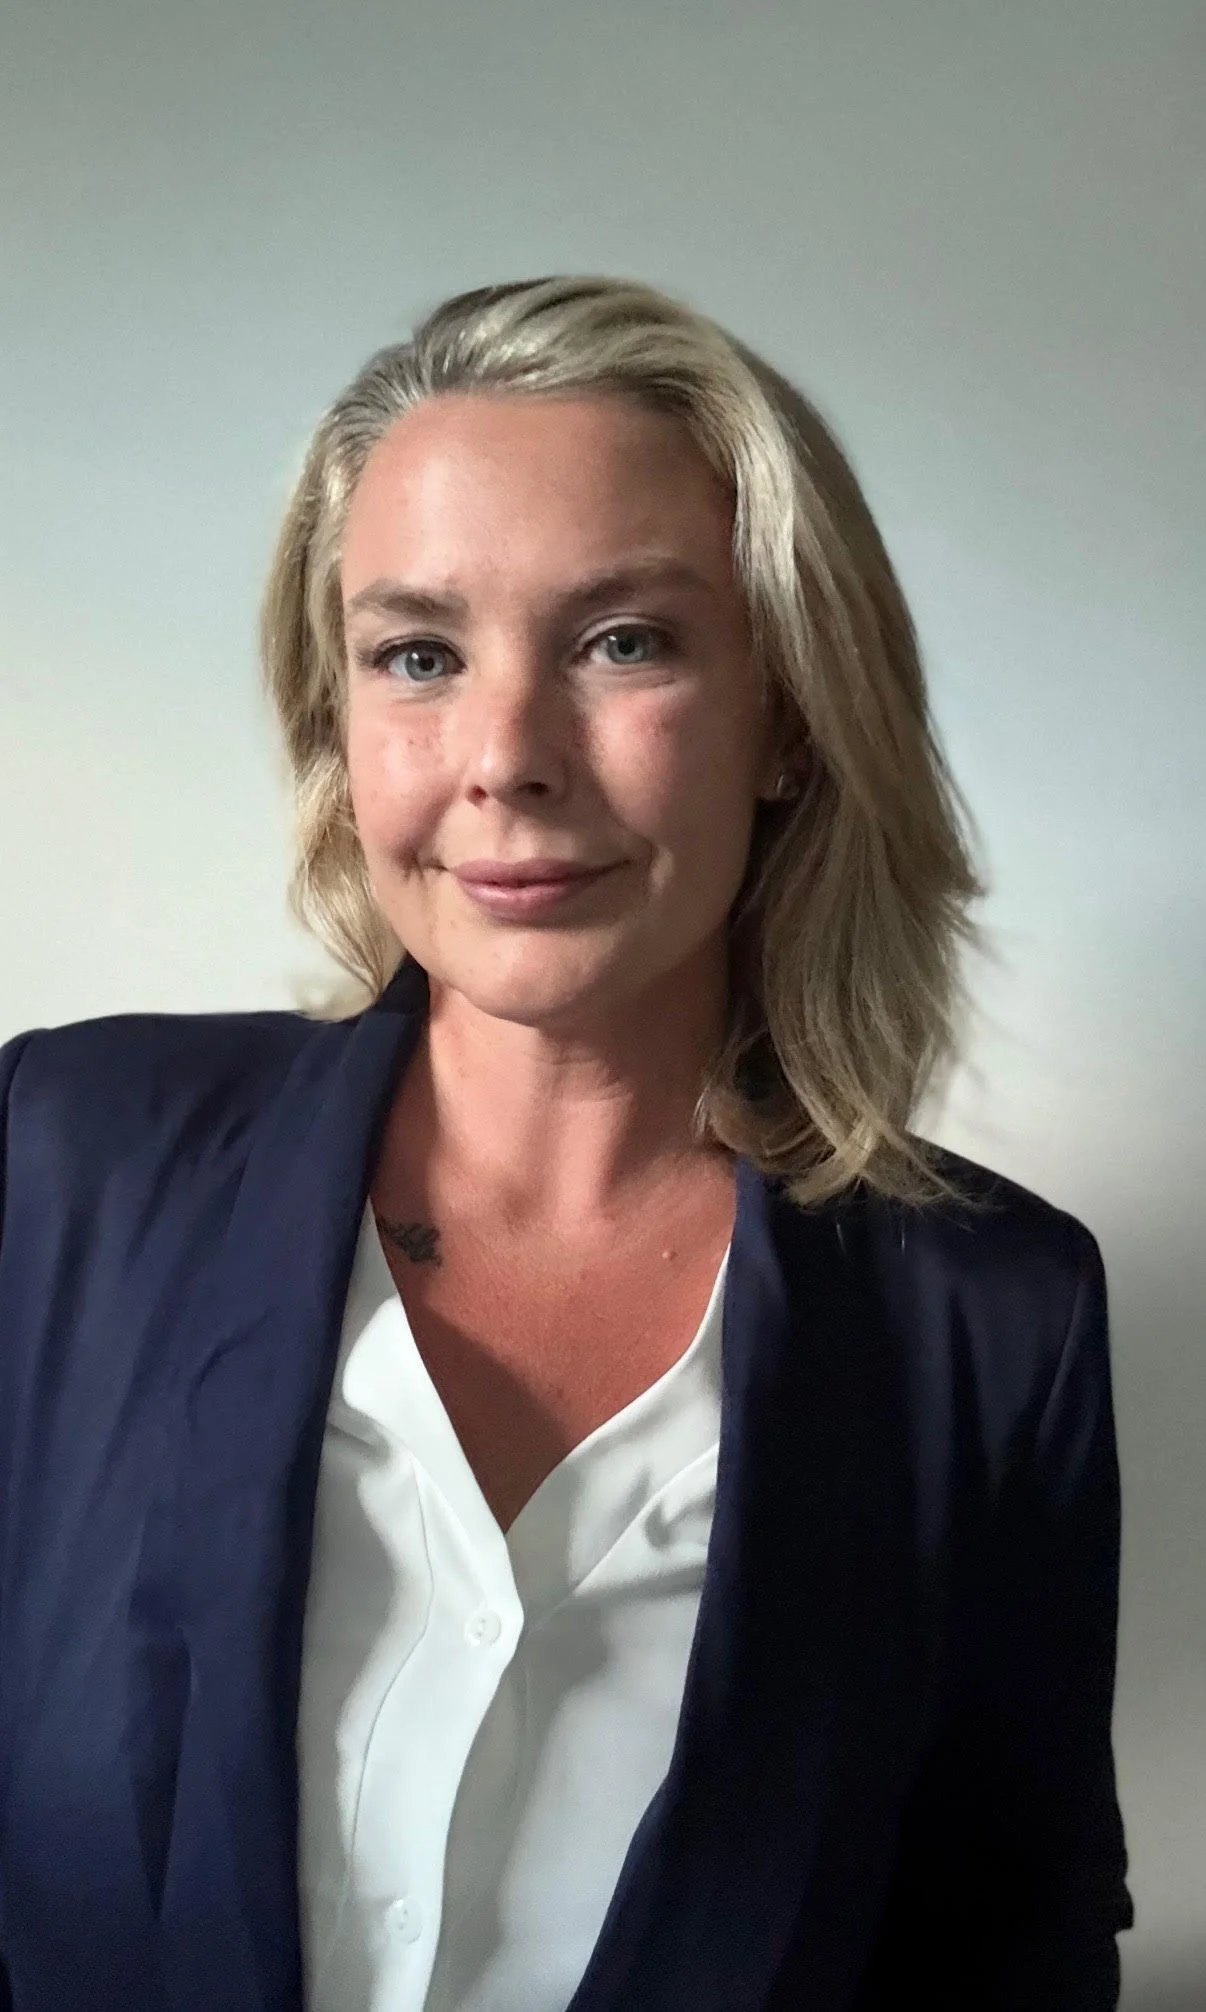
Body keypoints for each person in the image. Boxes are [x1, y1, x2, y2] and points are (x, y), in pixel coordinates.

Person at [0, 275, 1134, 2012]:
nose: (505, 759)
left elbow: (1001, 1944)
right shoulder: (63, 1162)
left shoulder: (991, 1318)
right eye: (420, 655)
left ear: (789, 716)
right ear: (343, 715)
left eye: (626, 641)